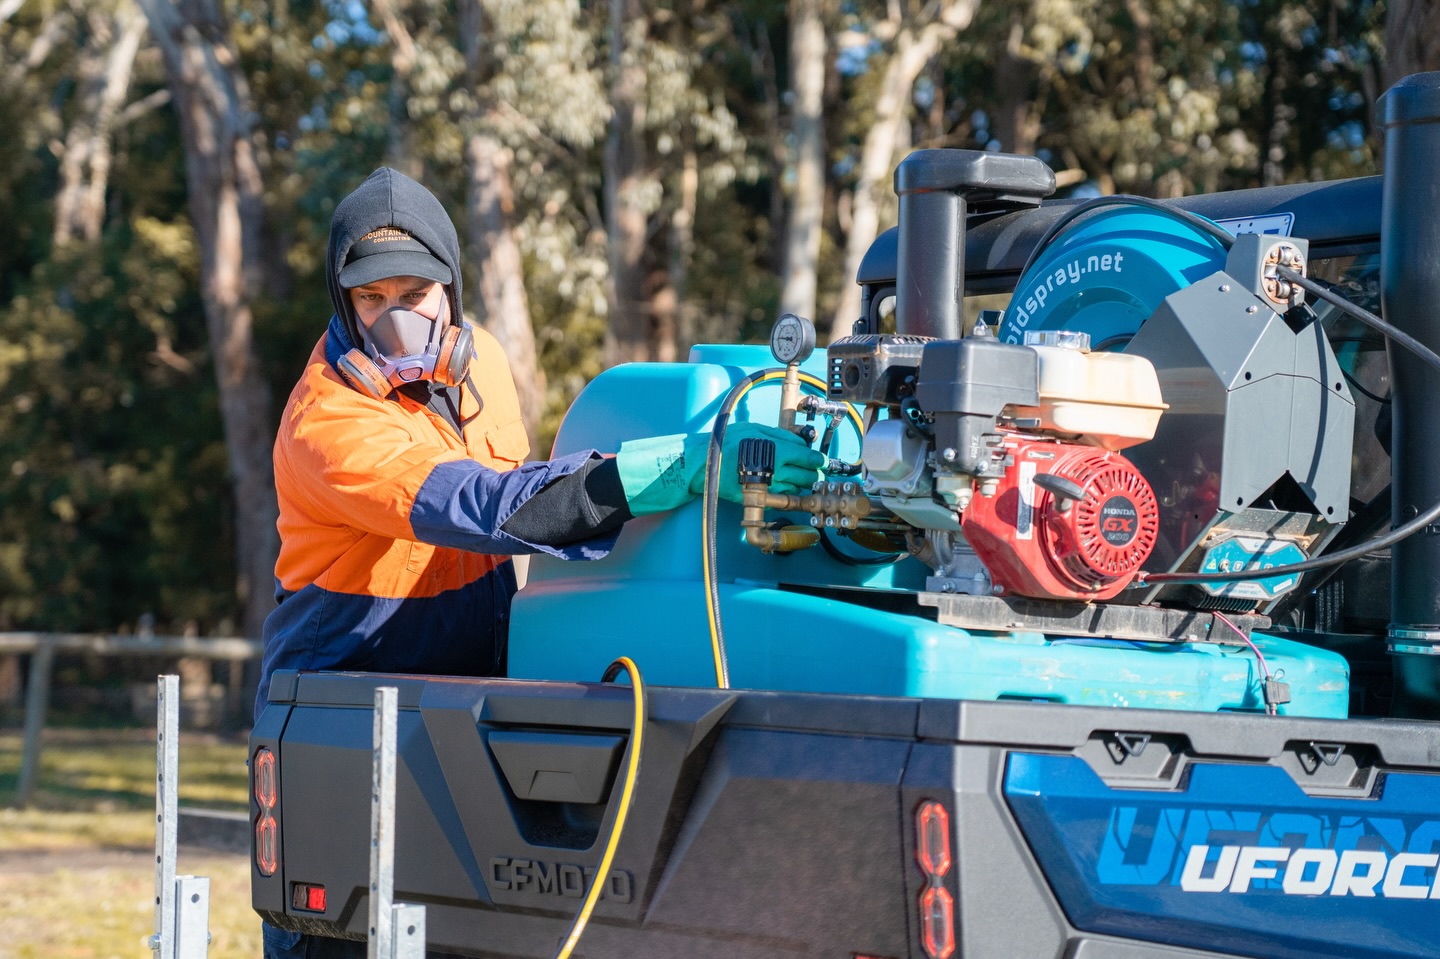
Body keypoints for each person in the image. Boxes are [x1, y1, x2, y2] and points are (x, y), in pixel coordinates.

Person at [259, 167, 821, 959]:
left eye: (413, 293)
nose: (395, 318)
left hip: (463, 698)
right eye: (371, 298)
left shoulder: (480, 361)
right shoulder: (329, 424)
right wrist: (672, 468)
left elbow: (529, 490)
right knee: (338, 934)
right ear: (342, 300)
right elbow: (491, 507)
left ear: (450, 286)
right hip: (344, 703)